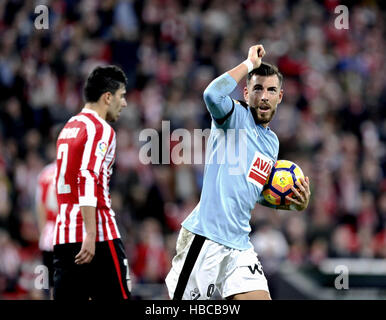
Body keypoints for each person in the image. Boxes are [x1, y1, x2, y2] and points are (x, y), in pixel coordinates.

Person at [165, 45, 311, 300]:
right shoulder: (234, 117)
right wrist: (248, 65)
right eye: (257, 88)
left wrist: (292, 205)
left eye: (271, 90)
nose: (264, 96)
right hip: (205, 240)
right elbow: (212, 95)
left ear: (281, 96)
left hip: (240, 246)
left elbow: (250, 190)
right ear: (246, 93)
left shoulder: (272, 142)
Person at [53, 65, 131, 300]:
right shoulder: (100, 129)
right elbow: (87, 176)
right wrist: (90, 232)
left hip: (64, 236)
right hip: (97, 236)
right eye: (122, 96)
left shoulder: (68, 128)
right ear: (108, 97)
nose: (124, 103)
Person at [35, 161, 58, 298]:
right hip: (67, 231)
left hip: (49, 233)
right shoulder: (73, 168)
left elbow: (40, 206)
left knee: (47, 281)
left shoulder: (45, 172)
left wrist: (43, 232)